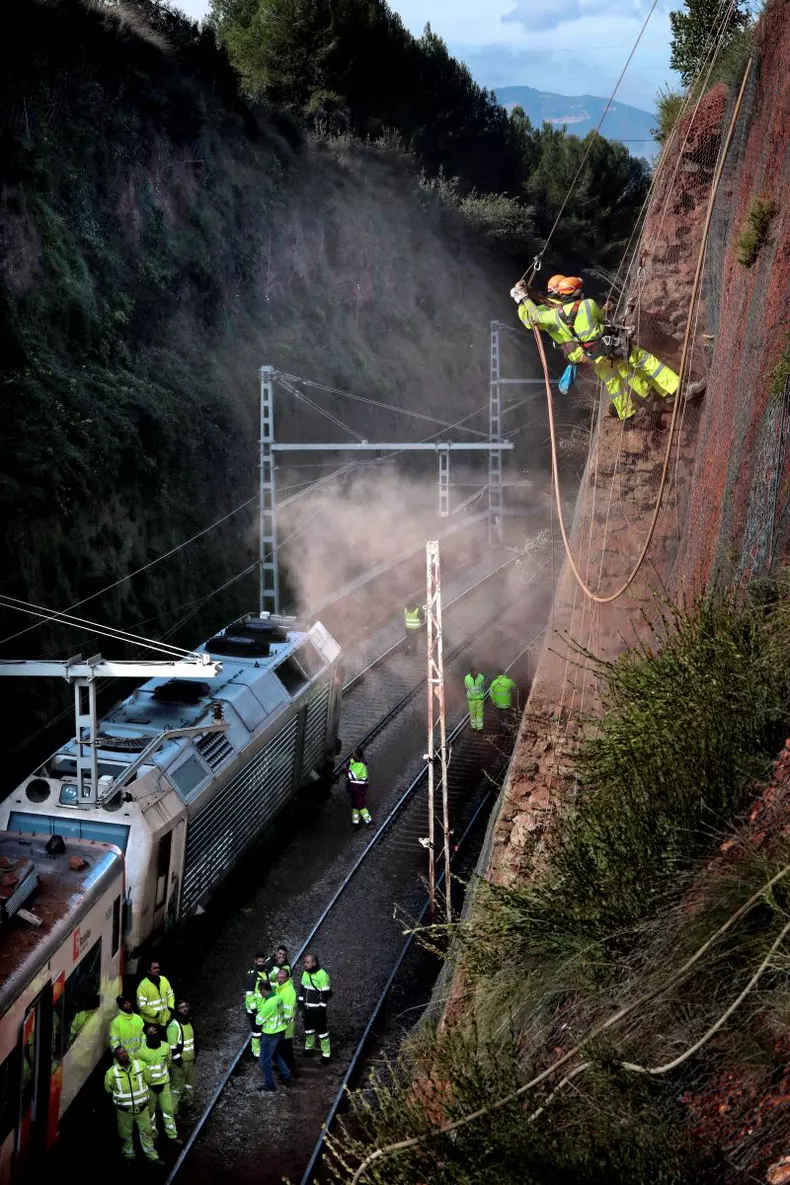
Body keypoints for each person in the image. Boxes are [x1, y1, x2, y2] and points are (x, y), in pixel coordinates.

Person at [510, 276, 705, 422]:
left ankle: (634, 410)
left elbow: (533, 316)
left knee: (615, 380)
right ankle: (676, 390)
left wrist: (523, 299)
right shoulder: (587, 304)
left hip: (590, 354)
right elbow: (599, 320)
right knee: (644, 362)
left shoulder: (554, 316)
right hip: (607, 346)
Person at [104, 1045, 163, 1165]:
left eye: (125, 1052)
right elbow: (108, 1089)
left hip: (142, 1108)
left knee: (147, 1132)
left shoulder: (140, 1065)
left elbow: (148, 1079)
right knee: (125, 1135)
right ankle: (129, 1157)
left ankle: (153, 1157)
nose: (124, 1054)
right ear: (116, 1057)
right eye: (120, 1053)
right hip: (124, 1111)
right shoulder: (111, 1073)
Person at [136, 1023, 181, 1146]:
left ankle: (172, 1135)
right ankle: (153, 1137)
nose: (153, 1033)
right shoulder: (141, 1052)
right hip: (149, 1087)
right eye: (150, 1032)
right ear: (146, 1035)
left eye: (154, 1031)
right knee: (151, 1114)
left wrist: (163, 1078)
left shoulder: (166, 1047)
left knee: (168, 1110)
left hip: (164, 1084)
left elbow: (168, 1062)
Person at [255, 981, 292, 1092]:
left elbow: (258, 1021)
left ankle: (269, 1084)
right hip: (280, 1031)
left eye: (259, 991)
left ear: (262, 990)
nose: (260, 994)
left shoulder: (269, 1004)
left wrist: (258, 1014)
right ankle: (286, 1074)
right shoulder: (278, 998)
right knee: (275, 1054)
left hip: (270, 1034)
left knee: (264, 1060)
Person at [299, 952, 332, 1062]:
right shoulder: (305, 974)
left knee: (322, 1032)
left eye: (307, 962)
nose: (305, 964)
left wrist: (321, 1008)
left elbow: (325, 993)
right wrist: (300, 1003)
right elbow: (302, 989)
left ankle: (326, 1053)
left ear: (314, 963)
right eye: (304, 962)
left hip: (317, 1009)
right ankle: (309, 1048)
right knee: (309, 1030)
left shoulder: (323, 975)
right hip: (307, 1008)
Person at [167, 1000, 196, 1114]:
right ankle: (173, 1113)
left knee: (189, 1085)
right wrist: (181, 1064)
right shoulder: (174, 1026)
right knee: (177, 1089)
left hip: (190, 1061)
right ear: (177, 1010)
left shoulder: (188, 1022)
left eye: (185, 1006)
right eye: (181, 1007)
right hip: (179, 1064)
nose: (184, 1009)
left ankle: (187, 1105)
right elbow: (172, 1049)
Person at [137, 959, 175, 1033]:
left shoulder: (164, 980)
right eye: (154, 968)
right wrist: (156, 1014)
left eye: (158, 968)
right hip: (151, 1023)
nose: (157, 970)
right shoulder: (142, 986)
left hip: (166, 1020)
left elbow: (170, 995)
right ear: (148, 971)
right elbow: (142, 1006)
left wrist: (170, 1007)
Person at [244, 952, 269, 1059]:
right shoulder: (251, 976)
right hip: (255, 1010)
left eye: (263, 961)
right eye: (259, 961)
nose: (261, 963)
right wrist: (254, 1010)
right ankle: (256, 1054)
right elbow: (249, 995)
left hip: (262, 1008)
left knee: (261, 1031)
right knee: (256, 1032)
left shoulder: (264, 973)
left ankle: (260, 1052)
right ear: (255, 961)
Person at [275, 967, 298, 1075]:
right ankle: (289, 1070)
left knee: (285, 1050)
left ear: (287, 978)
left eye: (282, 977)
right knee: (285, 1049)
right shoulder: (280, 988)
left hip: (285, 1027)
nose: (279, 979)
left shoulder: (288, 991)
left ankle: (289, 1071)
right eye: (278, 977)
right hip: (281, 1026)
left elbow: (288, 1012)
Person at [346, 749, 372, 826]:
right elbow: (351, 763)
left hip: (359, 789)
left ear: (357, 756)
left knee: (361, 806)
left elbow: (352, 776)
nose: (352, 754)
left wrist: (346, 770)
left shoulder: (361, 765)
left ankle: (369, 822)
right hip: (354, 788)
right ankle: (356, 822)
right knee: (354, 806)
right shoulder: (354, 761)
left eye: (353, 753)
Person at [464, 668, 485, 732]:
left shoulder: (481, 677)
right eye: (474, 672)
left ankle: (479, 728)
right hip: (472, 699)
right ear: (471, 672)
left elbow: (466, 687)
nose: (475, 673)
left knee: (479, 713)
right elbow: (482, 685)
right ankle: (473, 727)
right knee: (472, 713)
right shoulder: (467, 678)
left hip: (479, 698)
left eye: (476, 672)